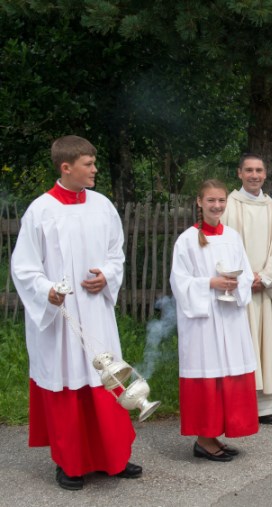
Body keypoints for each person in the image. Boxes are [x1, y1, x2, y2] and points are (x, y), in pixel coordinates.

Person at [11, 135, 142, 490]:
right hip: (61, 318)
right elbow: (23, 268)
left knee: (105, 378)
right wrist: (47, 291)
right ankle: (69, 463)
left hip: (96, 311)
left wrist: (108, 275)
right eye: (88, 163)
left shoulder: (102, 206)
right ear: (66, 167)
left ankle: (113, 457)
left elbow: (117, 251)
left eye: (94, 162)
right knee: (67, 382)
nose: (95, 169)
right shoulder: (40, 211)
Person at [171, 179, 259, 462]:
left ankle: (216, 434)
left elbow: (245, 272)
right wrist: (211, 283)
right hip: (203, 321)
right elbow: (179, 282)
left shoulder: (232, 236)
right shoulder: (186, 240)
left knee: (227, 374)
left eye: (221, 200)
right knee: (207, 374)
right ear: (199, 202)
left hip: (229, 315)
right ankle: (203, 439)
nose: (217, 205)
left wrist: (238, 284)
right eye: (211, 201)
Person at [220, 154, 272, 424]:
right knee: (239, 346)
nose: (254, 175)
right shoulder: (227, 205)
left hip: (262, 290)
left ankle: (263, 405)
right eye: (249, 170)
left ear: (265, 174)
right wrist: (241, 279)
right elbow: (221, 245)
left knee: (265, 345)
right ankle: (238, 403)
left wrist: (263, 277)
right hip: (237, 293)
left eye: (259, 170)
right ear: (239, 173)